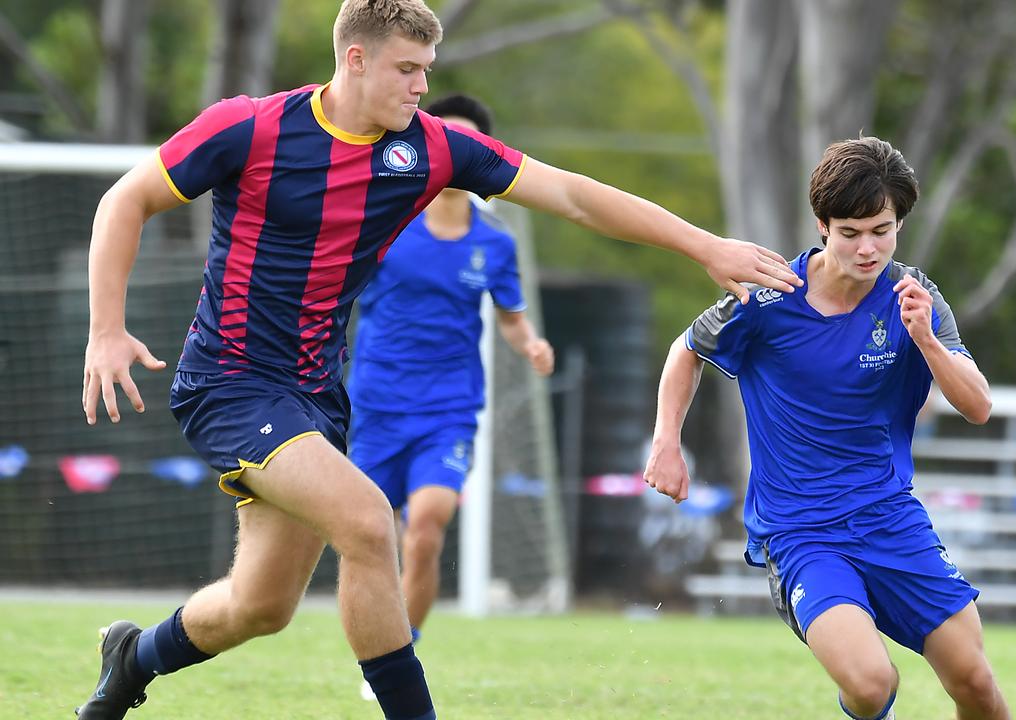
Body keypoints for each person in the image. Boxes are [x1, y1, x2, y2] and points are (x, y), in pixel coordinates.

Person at [76, 1, 801, 717]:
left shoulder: (431, 151)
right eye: (407, 69)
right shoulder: (251, 125)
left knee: (259, 607)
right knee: (367, 518)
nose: (422, 86)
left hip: (314, 396)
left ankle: (132, 660)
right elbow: (125, 201)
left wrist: (704, 244)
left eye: (428, 69)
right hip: (229, 383)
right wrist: (106, 328)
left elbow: (574, 198)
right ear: (354, 59)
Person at [644, 137, 1009, 720]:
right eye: (851, 232)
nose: (868, 249)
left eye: (882, 231)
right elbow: (685, 350)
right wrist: (667, 442)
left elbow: (979, 405)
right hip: (801, 533)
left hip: (890, 518)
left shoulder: (914, 297)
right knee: (870, 683)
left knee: (975, 683)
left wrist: (926, 341)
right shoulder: (769, 296)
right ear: (823, 225)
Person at [345, 93, 552, 699]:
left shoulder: (496, 244)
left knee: (428, 525)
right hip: (377, 405)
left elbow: (512, 317)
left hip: (449, 410)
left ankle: (401, 646)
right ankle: (374, 646)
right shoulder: (386, 223)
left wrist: (531, 344)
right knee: (366, 535)